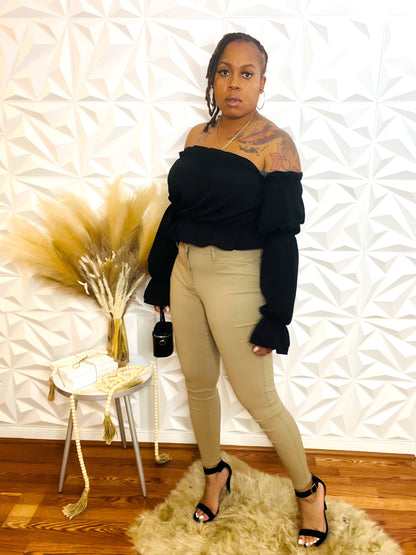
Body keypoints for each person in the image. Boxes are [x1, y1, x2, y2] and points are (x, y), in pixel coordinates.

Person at [144, 32, 328, 548]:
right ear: (212, 79)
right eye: (224, 71)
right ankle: (214, 473)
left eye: (247, 74)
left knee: (258, 398)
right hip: (185, 273)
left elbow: (283, 237)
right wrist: (161, 275)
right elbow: (177, 212)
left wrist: (277, 316)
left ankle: (309, 492)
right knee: (198, 383)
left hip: (238, 279)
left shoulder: (275, 145)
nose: (234, 83)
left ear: (263, 83)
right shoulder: (196, 136)